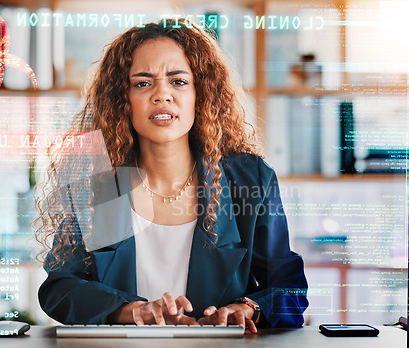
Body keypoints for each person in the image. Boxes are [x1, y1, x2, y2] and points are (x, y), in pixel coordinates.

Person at [35, 18, 308, 331]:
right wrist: (133, 311)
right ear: (122, 100)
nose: (161, 95)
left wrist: (248, 309)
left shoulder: (248, 179)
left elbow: (290, 289)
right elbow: (60, 288)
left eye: (178, 81)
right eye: (142, 83)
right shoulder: (98, 181)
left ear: (200, 94)